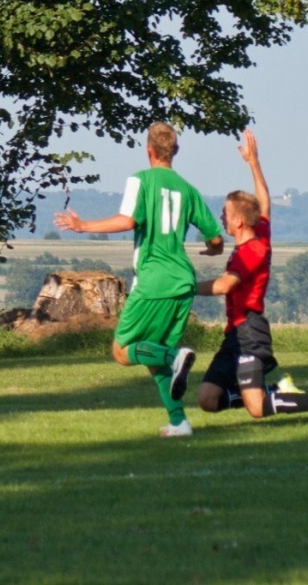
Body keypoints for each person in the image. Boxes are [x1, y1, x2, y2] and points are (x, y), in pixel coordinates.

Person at [54, 121, 224, 437]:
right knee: (153, 357)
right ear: (175, 151)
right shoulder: (188, 189)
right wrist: (213, 252)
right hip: (183, 282)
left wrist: (83, 226)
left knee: (122, 350)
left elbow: (128, 219)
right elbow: (215, 239)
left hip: (154, 280)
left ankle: (177, 357)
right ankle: (179, 423)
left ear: (148, 151)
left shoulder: (141, 180)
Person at [194, 129, 308, 426]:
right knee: (208, 398)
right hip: (234, 334)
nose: (221, 218)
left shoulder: (253, 250)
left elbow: (224, 285)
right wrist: (253, 163)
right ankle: (276, 391)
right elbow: (264, 202)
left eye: (225, 213)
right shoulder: (259, 232)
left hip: (250, 333)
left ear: (239, 221)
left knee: (256, 409)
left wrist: (184, 288)